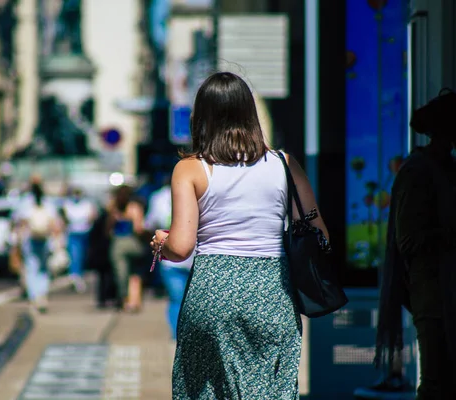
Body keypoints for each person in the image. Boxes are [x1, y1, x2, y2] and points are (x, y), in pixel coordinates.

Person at [149, 72, 328, 399]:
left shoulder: (191, 169)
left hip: (213, 293)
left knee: (207, 389)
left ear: (201, 117)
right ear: (249, 113)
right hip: (273, 293)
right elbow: (318, 233)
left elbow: (181, 246)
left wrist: (161, 242)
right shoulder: (284, 164)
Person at [375, 89, 456, 399]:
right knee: (438, 386)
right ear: (452, 131)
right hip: (438, 298)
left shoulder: (455, 170)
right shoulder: (418, 172)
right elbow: (410, 240)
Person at [144, 174, 194, 340]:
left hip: (174, 258)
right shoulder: (200, 190)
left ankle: (178, 336)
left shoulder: (158, 198)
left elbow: (150, 223)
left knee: (176, 299)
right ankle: (181, 335)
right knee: (182, 299)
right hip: (191, 258)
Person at [18, 181, 59, 314]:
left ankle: (34, 296)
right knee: (43, 268)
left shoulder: (25, 203)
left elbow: (21, 223)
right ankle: (42, 295)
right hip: (45, 240)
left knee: (31, 268)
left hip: (30, 240)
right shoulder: (48, 203)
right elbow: (55, 224)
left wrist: (17, 240)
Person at [106, 185, 146, 312]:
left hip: (118, 245)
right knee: (135, 274)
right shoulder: (135, 208)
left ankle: (124, 300)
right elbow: (138, 229)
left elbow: (108, 230)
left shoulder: (113, 209)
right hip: (134, 243)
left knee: (121, 274)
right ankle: (135, 301)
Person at [62, 187, 97, 293]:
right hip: (73, 234)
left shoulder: (87, 204)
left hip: (85, 233)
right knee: (74, 255)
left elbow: (92, 216)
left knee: (82, 256)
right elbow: (65, 218)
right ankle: (75, 276)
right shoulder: (67, 204)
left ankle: (79, 275)